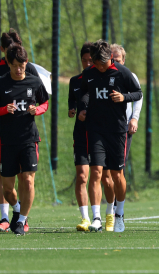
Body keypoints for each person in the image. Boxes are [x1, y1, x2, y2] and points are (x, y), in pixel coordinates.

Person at [78, 40, 143, 233]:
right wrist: (82, 107)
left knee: (116, 174)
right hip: (95, 129)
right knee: (96, 171)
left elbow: (138, 93)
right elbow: (83, 92)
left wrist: (124, 97)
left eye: (103, 63)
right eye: (96, 63)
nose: (99, 67)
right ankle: (96, 217)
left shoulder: (123, 73)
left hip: (117, 131)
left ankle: (119, 213)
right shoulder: (89, 74)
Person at [0, 44, 50, 235]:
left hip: (29, 139)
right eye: (15, 65)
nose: (19, 69)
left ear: (26, 63)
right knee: (7, 189)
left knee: (29, 180)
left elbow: (44, 103)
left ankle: (21, 221)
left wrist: (36, 110)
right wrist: (3, 110)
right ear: (8, 64)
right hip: (7, 141)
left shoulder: (34, 82)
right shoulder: (0, 83)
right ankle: (16, 208)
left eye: (22, 65)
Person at [68, 42, 97, 232]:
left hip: (99, 133)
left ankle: (105, 215)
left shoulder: (102, 79)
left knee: (102, 176)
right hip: (80, 133)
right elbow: (72, 102)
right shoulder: (74, 81)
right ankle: (85, 218)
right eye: (84, 60)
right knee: (82, 176)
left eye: (90, 60)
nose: (87, 64)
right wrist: (73, 110)